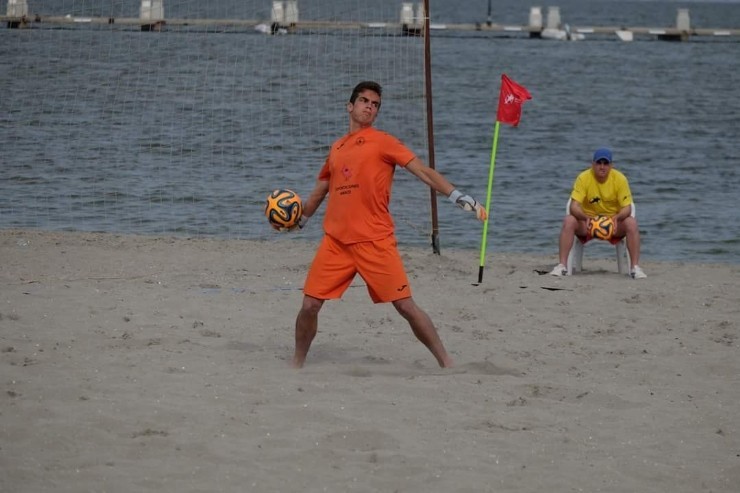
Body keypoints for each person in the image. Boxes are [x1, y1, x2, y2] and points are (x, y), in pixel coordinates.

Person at [285, 81, 487, 369]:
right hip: (336, 243)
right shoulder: (337, 148)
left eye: (375, 104)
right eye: (364, 101)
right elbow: (321, 190)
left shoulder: (383, 142)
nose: (369, 106)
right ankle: (296, 364)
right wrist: (299, 221)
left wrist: (457, 196)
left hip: (375, 241)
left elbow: (423, 171)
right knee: (309, 305)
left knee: (405, 305)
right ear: (350, 106)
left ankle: (446, 362)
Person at [549, 147, 646, 279]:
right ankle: (562, 266)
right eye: (599, 163)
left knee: (632, 223)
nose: (602, 167)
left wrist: (617, 218)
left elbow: (627, 208)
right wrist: (585, 217)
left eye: (605, 163)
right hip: (587, 224)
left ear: (611, 165)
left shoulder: (620, 179)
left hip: (613, 225)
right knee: (569, 220)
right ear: (593, 164)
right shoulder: (583, 178)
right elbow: (574, 206)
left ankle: (635, 268)